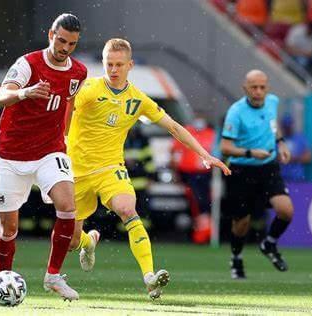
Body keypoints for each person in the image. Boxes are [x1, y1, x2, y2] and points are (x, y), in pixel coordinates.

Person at [66, 38, 231, 299]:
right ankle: (89, 241)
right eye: (109, 64)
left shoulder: (137, 99)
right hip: (76, 171)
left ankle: (149, 278)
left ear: (130, 65)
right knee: (72, 242)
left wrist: (204, 154)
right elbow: (64, 110)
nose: (113, 69)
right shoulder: (89, 89)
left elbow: (175, 127)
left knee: (127, 210)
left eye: (119, 64)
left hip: (110, 168)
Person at [0, 13, 87, 301]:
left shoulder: (79, 73)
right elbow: (0, 98)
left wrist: (67, 136)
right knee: (9, 228)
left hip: (50, 151)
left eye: (71, 43)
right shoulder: (27, 64)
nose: (65, 48)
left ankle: (53, 276)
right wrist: (27, 92)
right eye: (61, 41)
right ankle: (4, 278)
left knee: (67, 204)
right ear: (50, 35)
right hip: (12, 153)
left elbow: (68, 106)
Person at [221, 69, 294, 279]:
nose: (258, 91)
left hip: (268, 167)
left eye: (262, 87)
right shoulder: (236, 112)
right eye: (254, 87)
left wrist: (280, 143)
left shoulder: (272, 101)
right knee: (241, 223)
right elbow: (225, 147)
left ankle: (269, 243)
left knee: (286, 211)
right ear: (245, 88)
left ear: (267, 88)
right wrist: (250, 152)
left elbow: (273, 125)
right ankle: (236, 258)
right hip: (242, 170)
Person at [171, 115, 215, 244]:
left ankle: (204, 229)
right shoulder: (186, 132)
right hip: (189, 174)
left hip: (206, 174)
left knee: (204, 201)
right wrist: (176, 172)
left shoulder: (210, 134)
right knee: (197, 201)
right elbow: (174, 152)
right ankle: (200, 230)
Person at [279, 114, 312, 182]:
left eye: (289, 126)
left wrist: (291, 158)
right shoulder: (278, 140)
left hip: (298, 177)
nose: (288, 128)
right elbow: (273, 158)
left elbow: (308, 158)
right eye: (286, 126)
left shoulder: (300, 138)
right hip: (282, 177)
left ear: (293, 125)